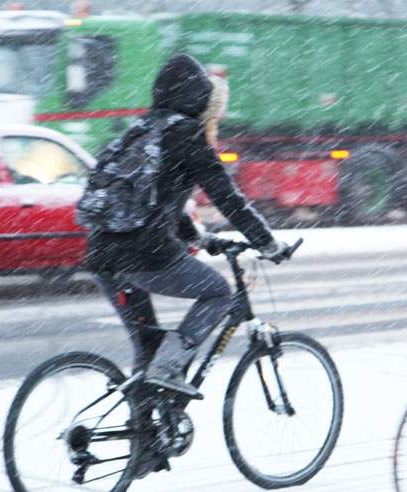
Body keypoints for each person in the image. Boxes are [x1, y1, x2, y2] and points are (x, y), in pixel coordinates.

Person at [85, 53, 289, 397]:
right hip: (144, 254)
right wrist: (266, 242)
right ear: (198, 96)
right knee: (219, 293)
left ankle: (146, 442)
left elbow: (156, 199)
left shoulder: (141, 129)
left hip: (102, 254)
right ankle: (169, 368)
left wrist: (197, 236)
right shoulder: (186, 135)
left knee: (147, 355)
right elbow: (228, 198)